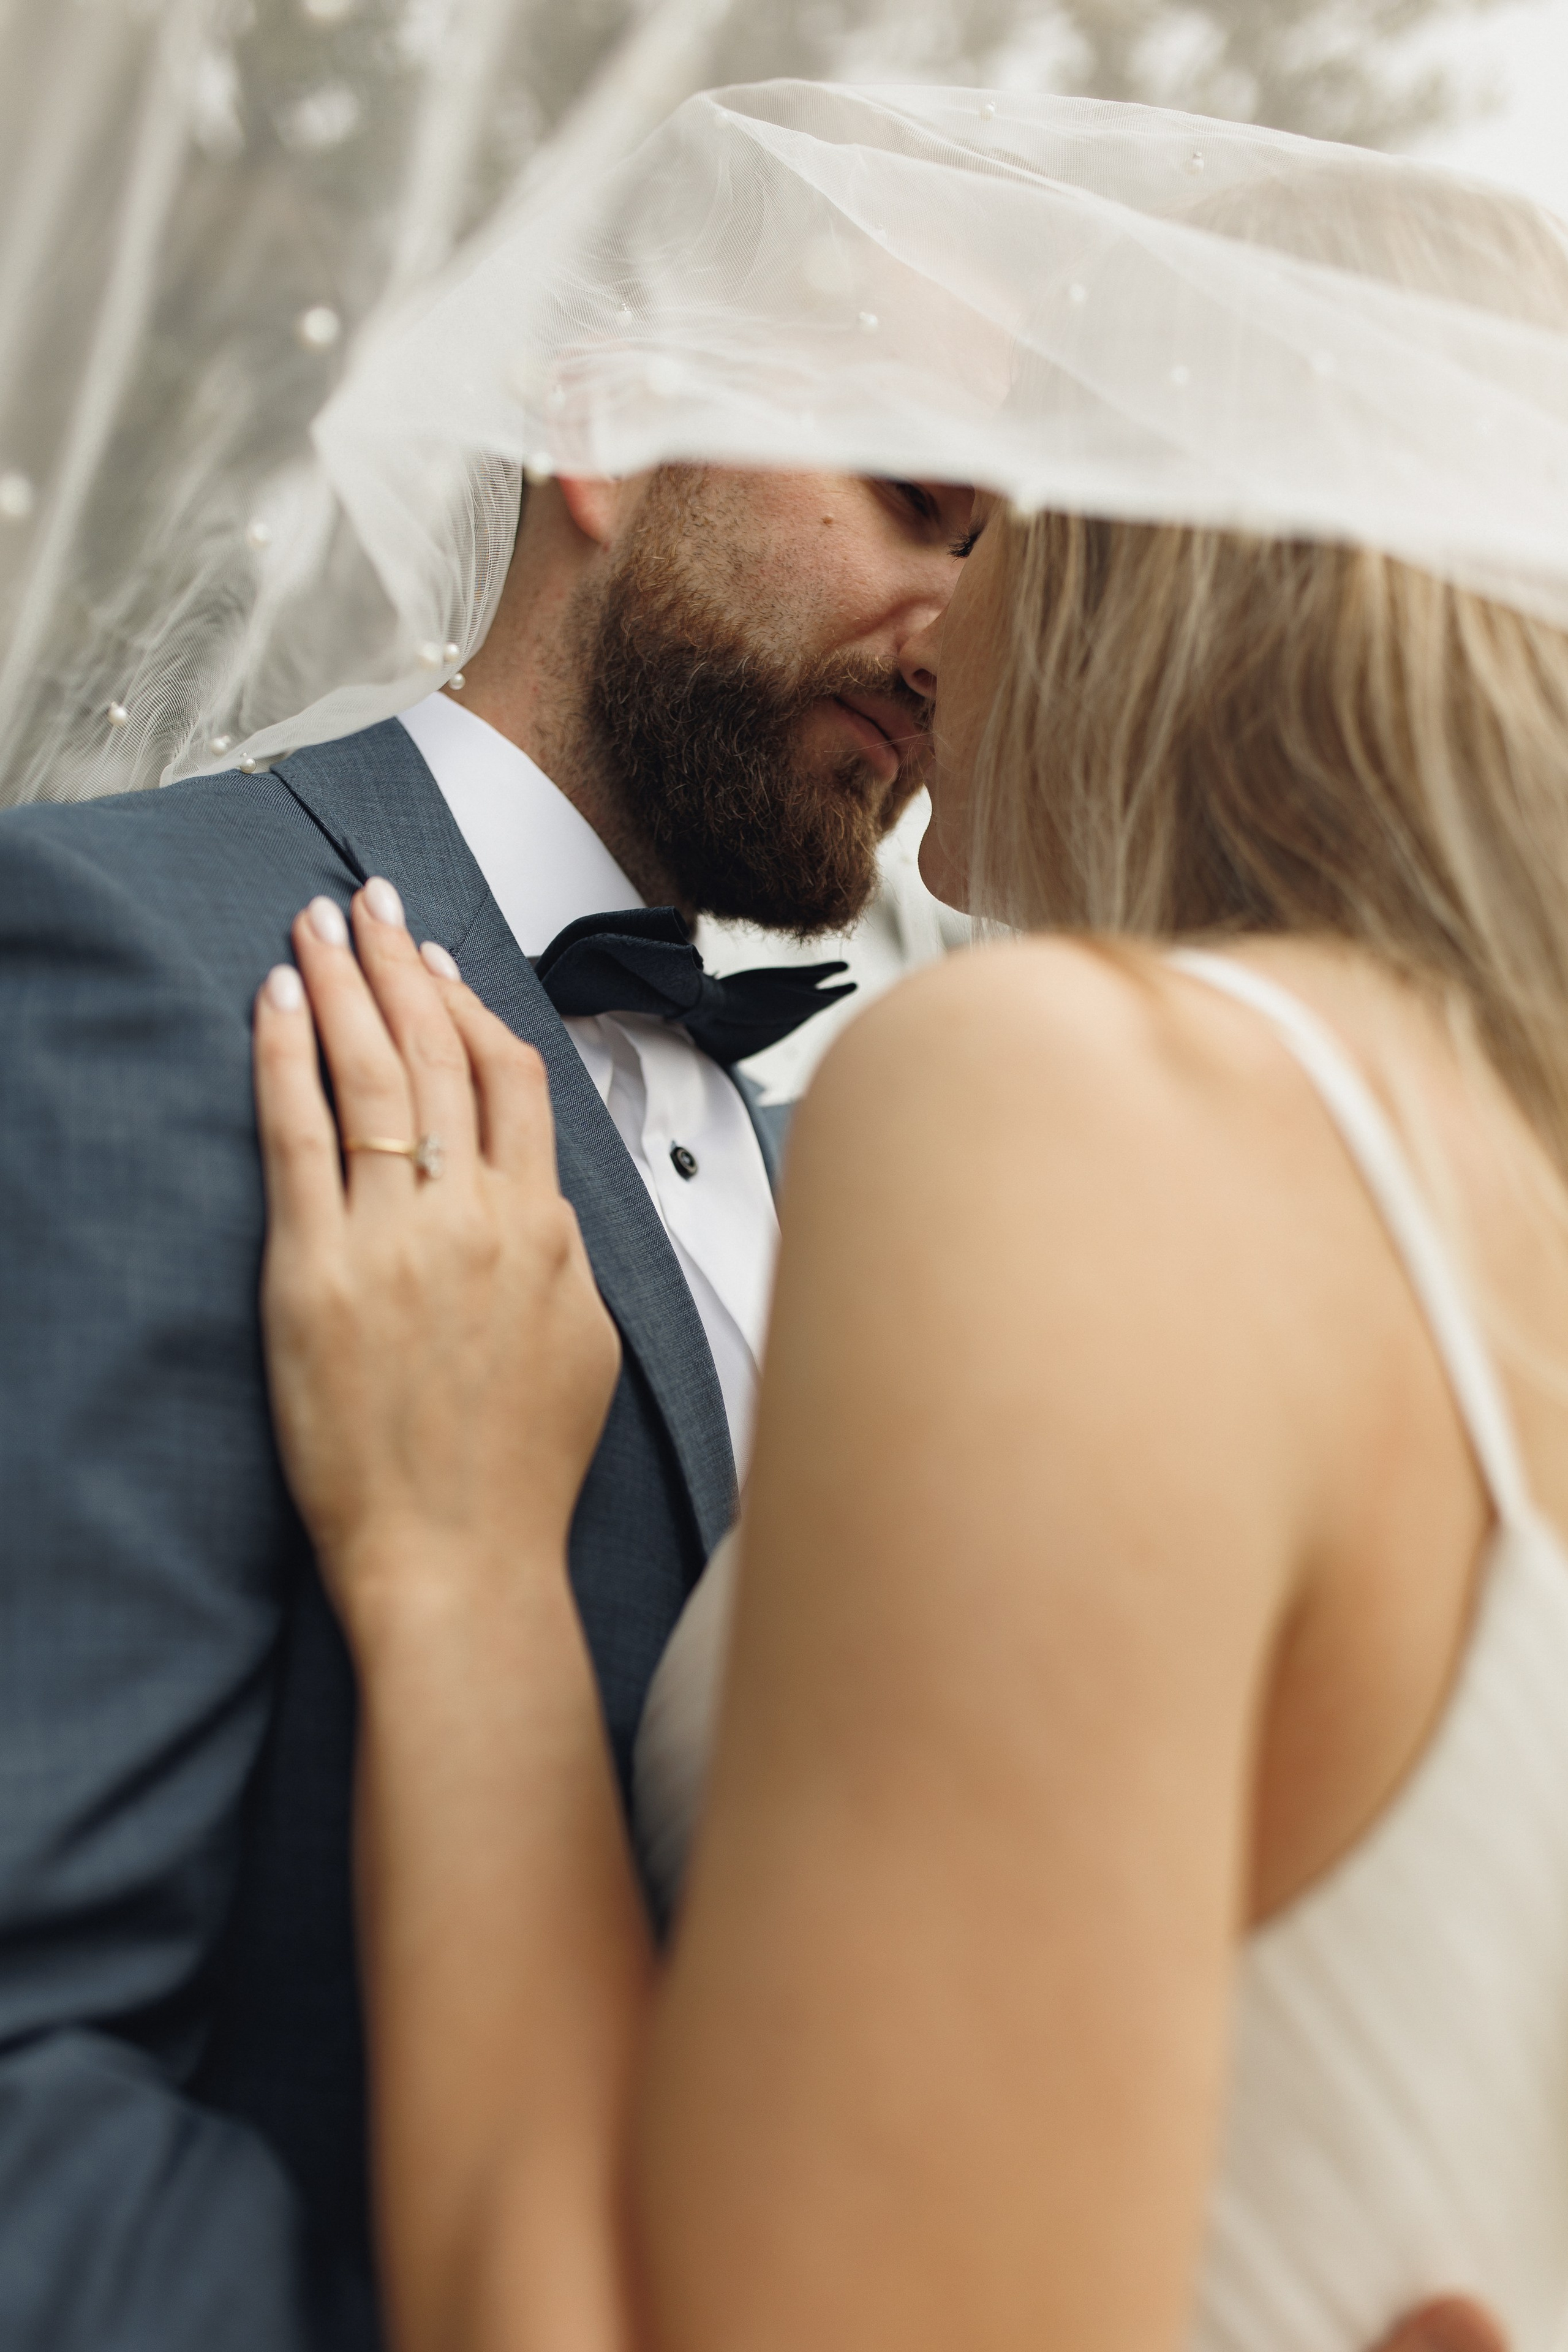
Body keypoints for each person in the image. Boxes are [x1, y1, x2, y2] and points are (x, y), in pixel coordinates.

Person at [239, 99, 1568, 2352]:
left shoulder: (1087, 1103)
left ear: (1175, 545)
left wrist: (463, 1574)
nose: (955, 612)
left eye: (1005, 496)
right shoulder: (1493, 1209)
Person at [0, 459, 965, 2350]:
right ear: (606, 423)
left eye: (1001, 555)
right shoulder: (132, 964)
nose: (956, 632)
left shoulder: (850, 1181)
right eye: (918, 503)